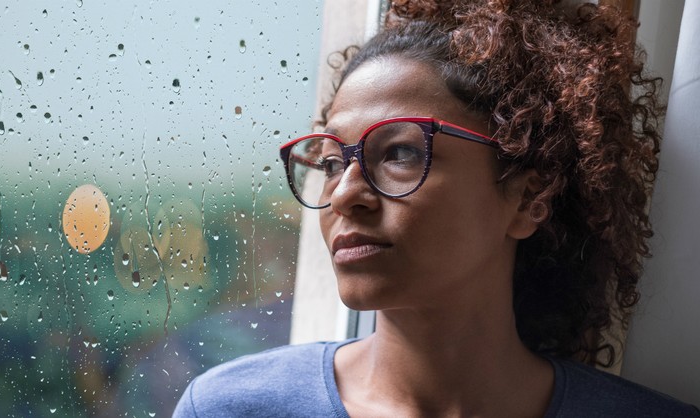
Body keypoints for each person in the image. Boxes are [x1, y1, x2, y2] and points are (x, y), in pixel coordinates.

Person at [173, 1, 700, 416]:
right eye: (332, 162)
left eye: (399, 152)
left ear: (528, 197)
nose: (343, 194)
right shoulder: (228, 409)